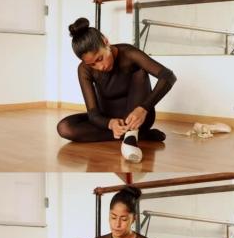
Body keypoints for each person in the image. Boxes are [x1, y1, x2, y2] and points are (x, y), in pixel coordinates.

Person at [57, 17, 177, 163]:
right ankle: (139, 135)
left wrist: (144, 108)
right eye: (92, 64)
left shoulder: (129, 54)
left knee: (139, 71)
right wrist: (110, 123)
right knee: (64, 128)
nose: (99, 67)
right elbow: (93, 114)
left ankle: (134, 132)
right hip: (109, 120)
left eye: (100, 58)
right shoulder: (84, 69)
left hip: (138, 117)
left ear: (106, 41)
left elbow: (168, 76)